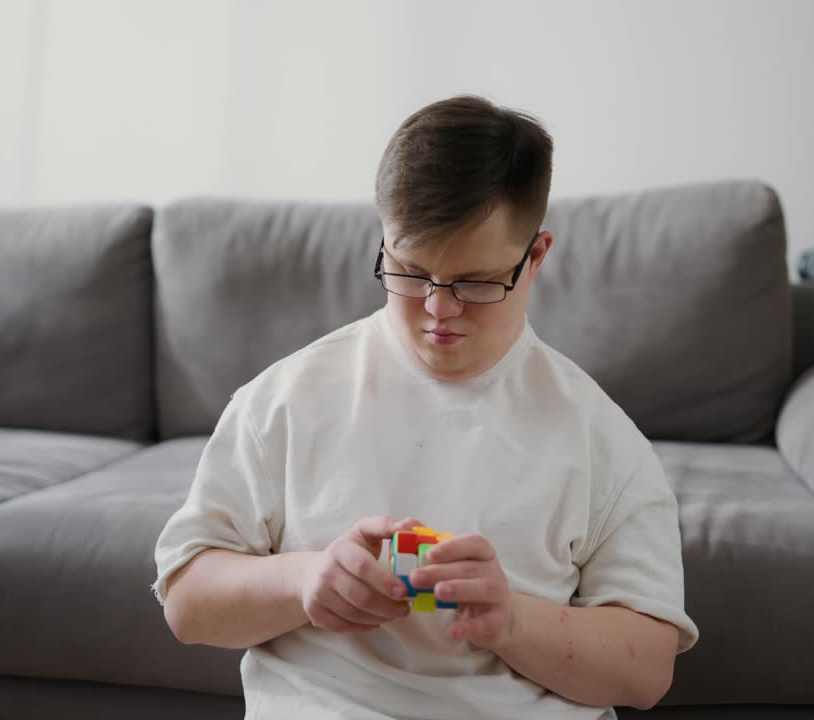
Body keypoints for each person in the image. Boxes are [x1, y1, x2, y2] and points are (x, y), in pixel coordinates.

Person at [152, 95, 698, 719]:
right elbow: (187, 602)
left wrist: (512, 620)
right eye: (410, 272)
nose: (439, 309)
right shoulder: (283, 401)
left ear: (536, 256)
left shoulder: (602, 440)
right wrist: (305, 581)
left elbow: (647, 672)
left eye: (474, 282)